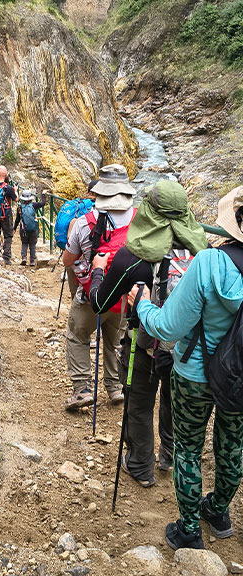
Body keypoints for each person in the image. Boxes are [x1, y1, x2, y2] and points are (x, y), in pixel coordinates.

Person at [129, 185, 243, 550]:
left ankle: (189, 530)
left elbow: (168, 327)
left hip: (195, 373)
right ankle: (220, 513)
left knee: (189, 449)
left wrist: (142, 304)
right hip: (239, 376)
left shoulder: (210, 263)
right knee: (232, 445)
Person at [88, 180, 208, 487]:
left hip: (144, 343)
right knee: (171, 399)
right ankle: (168, 455)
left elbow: (100, 302)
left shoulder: (132, 257)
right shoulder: (203, 255)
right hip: (188, 347)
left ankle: (140, 465)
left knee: (139, 402)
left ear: (149, 212)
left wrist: (99, 269)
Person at [63, 164, 136, 411]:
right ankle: (115, 387)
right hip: (125, 296)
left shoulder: (85, 223)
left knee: (77, 335)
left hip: (90, 296)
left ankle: (82, 389)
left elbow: (68, 261)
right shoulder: (139, 221)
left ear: (99, 192)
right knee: (115, 340)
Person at [14, 189, 48, 266]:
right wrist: (43, 194)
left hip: (23, 230)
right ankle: (32, 261)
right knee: (32, 244)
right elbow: (43, 203)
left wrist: (14, 228)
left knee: (24, 243)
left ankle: (24, 258)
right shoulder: (33, 205)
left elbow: (17, 220)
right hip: (33, 229)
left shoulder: (20, 207)